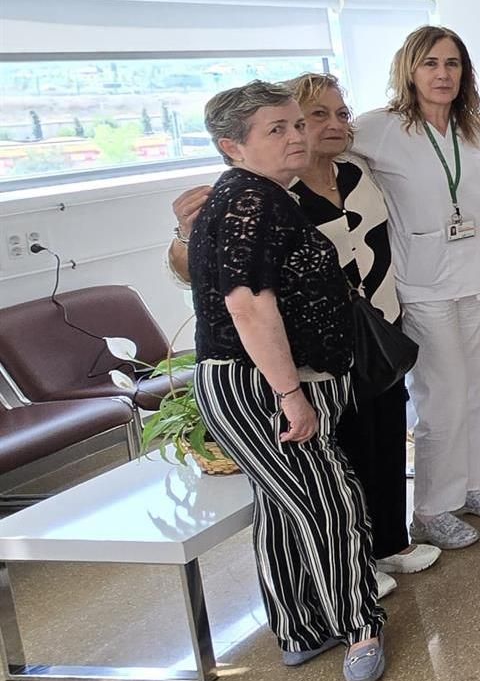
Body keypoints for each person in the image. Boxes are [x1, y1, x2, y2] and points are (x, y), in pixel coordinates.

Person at [166, 74, 440, 591]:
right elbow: (206, 273)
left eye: (341, 113)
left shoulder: (360, 174)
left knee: (384, 436)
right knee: (339, 455)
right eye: (314, 116)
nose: (330, 125)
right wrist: (182, 233)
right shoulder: (264, 191)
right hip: (311, 350)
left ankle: (388, 542)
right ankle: (350, 567)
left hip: (375, 324)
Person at [187, 81, 386, 681]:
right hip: (262, 385)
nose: (297, 136)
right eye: (277, 129)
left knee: (282, 509)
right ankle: (361, 629)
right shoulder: (253, 201)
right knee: (332, 501)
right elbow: (248, 306)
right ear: (232, 145)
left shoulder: (261, 196)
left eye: (297, 124)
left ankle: (300, 628)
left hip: (269, 381)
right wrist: (290, 395)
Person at [354, 26, 480, 551]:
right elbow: (316, 154)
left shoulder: (470, 129)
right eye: (430, 64)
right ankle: (430, 508)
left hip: (474, 273)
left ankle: (469, 485)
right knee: (439, 397)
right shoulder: (379, 129)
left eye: (452, 64)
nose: (443, 74)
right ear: (409, 70)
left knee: (479, 392)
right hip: (422, 284)